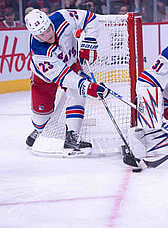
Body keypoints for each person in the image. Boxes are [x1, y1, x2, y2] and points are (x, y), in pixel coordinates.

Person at [24, 9, 110, 156]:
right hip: (44, 78)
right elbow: (65, 78)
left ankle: (72, 136)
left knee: (77, 93)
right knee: (42, 118)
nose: (48, 34)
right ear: (35, 35)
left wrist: (90, 41)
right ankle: (39, 129)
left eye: (48, 28)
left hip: (70, 63)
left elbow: (90, 18)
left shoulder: (62, 17)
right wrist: (88, 87)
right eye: (42, 34)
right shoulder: (39, 52)